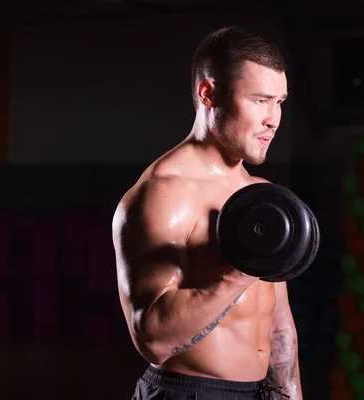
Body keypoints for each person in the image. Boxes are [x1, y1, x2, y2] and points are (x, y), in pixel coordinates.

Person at [112, 25, 302, 400]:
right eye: (260, 100)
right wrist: (244, 267)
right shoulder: (163, 193)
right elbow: (153, 338)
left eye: (279, 102)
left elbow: (279, 322)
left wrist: (288, 393)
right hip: (189, 392)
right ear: (209, 93)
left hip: (259, 392)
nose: (273, 119)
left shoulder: (259, 195)